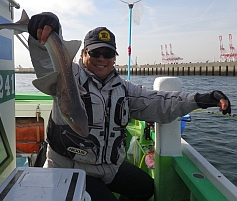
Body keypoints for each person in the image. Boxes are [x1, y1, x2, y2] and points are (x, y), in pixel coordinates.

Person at [27, 12, 231, 201]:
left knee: (145, 188)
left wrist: (201, 99)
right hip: (69, 168)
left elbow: (159, 101)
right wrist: (42, 36)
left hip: (108, 168)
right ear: (83, 54)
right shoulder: (68, 77)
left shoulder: (122, 88)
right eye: (95, 52)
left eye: (108, 53)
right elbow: (47, 63)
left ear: (114, 58)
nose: (101, 58)